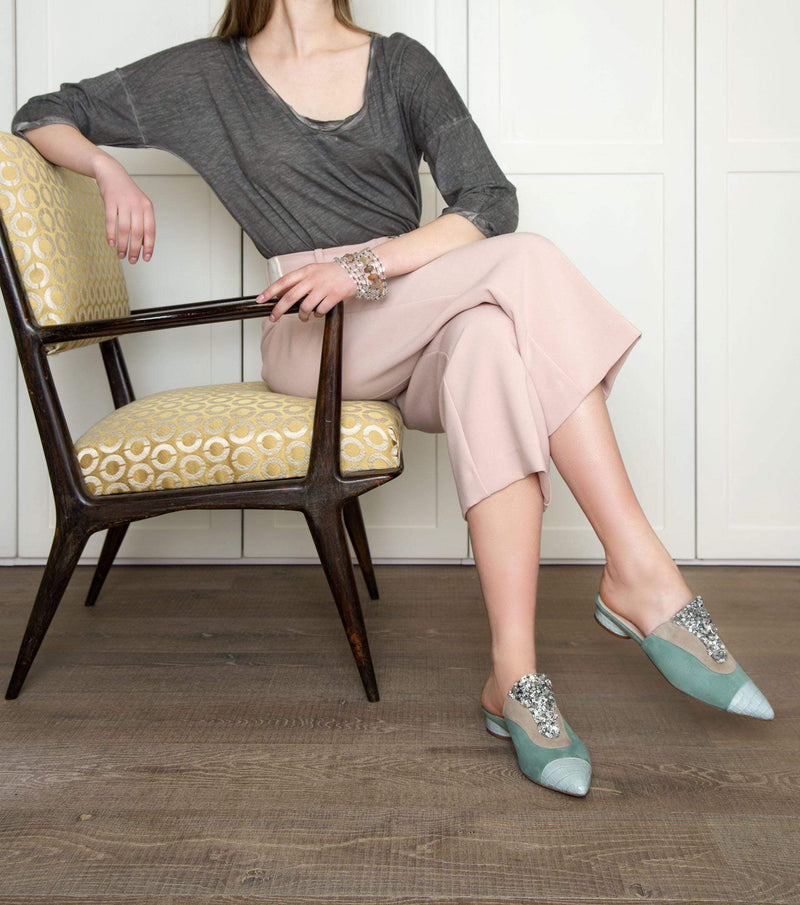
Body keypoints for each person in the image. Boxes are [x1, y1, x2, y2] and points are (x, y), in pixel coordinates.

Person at [10, 0, 774, 798]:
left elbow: (488, 201)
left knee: (489, 344)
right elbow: (43, 113)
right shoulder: (208, 75)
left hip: (408, 307)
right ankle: (640, 571)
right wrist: (107, 169)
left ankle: (513, 677)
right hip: (314, 335)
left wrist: (364, 268)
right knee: (528, 263)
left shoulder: (401, 65)